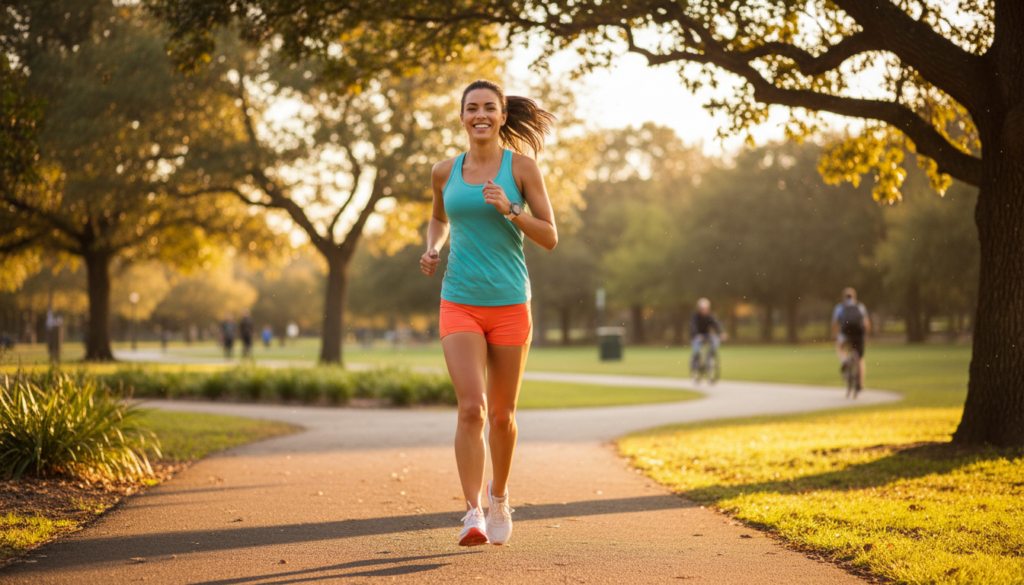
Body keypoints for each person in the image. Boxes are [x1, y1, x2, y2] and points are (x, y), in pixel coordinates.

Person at [419, 80, 557, 547]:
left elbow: (550, 236)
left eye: (489, 108)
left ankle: (499, 497)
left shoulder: (521, 168)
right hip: (459, 300)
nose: (480, 114)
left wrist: (511, 209)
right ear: (461, 117)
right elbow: (439, 217)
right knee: (472, 408)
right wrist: (432, 246)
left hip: (510, 303)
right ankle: (472, 511)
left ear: (501, 117)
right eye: (471, 108)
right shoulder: (444, 172)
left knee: (501, 415)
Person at [831, 287, 870, 389]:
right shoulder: (860, 306)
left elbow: (835, 323)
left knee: (840, 346)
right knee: (860, 359)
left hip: (846, 333)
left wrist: (834, 334)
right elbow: (866, 323)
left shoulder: (840, 307)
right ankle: (860, 383)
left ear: (843, 297)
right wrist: (865, 335)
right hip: (858, 334)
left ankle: (844, 361)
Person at [689, 298, 726, 372]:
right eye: (702, 308)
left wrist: (721, 333)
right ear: (699, 308)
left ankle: (709, 356)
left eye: (705, 308)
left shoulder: (710, 315)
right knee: (697, 350)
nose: (704, 310)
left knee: (715, 341)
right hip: (696, 335)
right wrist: (696, 334)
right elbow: (693, 326)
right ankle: (695, 363)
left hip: (706, 334)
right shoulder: (695, 316)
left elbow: (715, 324)